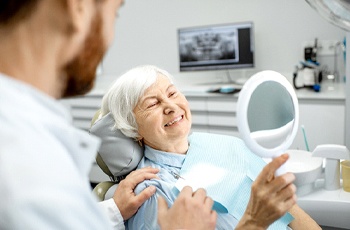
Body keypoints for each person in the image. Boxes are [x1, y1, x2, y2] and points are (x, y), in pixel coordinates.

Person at [0, 1, 216, 229]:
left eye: (172, 93)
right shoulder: (25, 166)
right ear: (78, 7)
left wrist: (113, 210)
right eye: (116, 12)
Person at [100, 65, 321, 230]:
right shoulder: (150, 193)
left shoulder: (223, 144)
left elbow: (288, 208)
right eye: (152, 104)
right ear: (133, 129)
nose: (170, 106)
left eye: (172, 93)